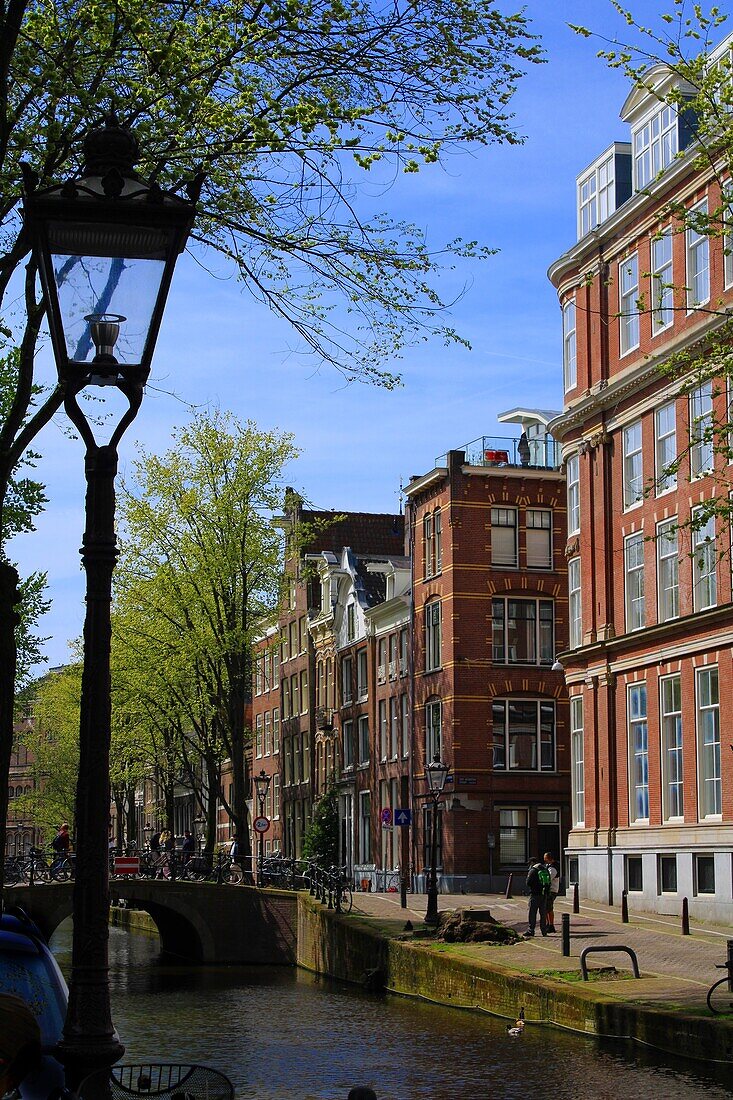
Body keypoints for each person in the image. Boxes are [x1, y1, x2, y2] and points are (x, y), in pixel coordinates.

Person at [524, 857, 549, 937]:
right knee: (543, 913)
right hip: (544, 894)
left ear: (532, 862)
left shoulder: (533, 870)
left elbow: (528, 883)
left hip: (534, 894)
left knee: (532, 913)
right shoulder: (545, 869)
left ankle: (531, 930)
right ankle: (544, 931)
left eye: (529, 863)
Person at [544, 852, 560, 933]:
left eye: (545, 858)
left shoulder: (553, 868)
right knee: (546, 908)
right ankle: (548, 924)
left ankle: (551, 925)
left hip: (552, 890)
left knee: (549, 908)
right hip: (549, 890)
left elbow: (548, 879)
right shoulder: (549, 866)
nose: (544, 860)